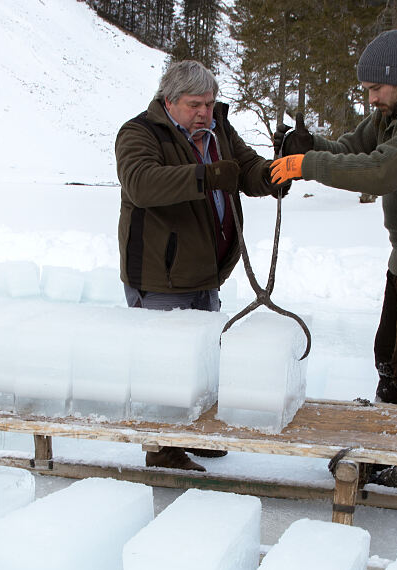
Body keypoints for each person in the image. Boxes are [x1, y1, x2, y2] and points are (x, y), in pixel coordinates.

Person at [269, 30, 397, 492]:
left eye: (374, 88)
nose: (371, 98)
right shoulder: (393, 113)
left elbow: (384, 170)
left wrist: (307, 166)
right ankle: (389, 441)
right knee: (388, 354)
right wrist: (310, 146)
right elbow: (352, 150)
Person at [116, 59, 281, 471]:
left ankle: (193, 433)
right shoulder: (140, 133)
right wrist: (206, 177)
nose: (205, 112)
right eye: (195, 105)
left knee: (204, 361)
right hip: (160, 275)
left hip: (207, 270)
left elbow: (245, 169)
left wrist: (280, 169)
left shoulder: (218, 128)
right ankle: (162, 448)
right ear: (169, 101)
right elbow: (142, 183)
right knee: (163, 367)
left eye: (210, 103)